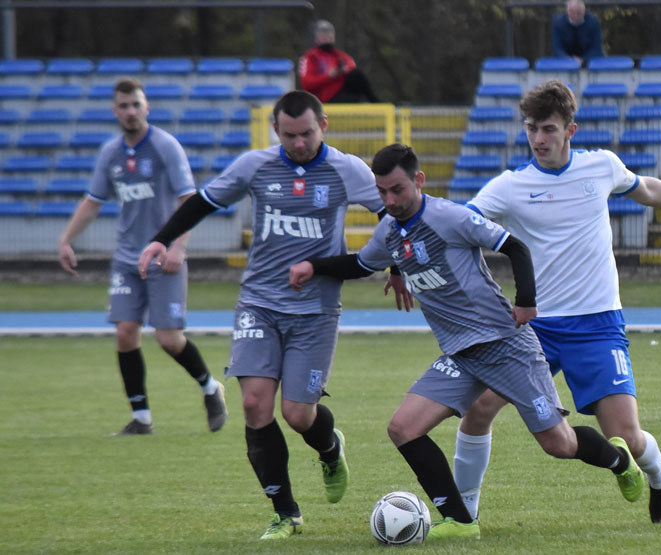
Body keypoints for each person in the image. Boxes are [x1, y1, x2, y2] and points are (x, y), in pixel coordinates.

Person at [289, 143, 648, 540]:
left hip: (507, 346)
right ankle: (460, 521)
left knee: (559, 444)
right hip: (460, 355)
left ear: (418, 182)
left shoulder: (450, 217)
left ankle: (619, 461)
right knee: (403, 427)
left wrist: (526, 301)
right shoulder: (389, 231)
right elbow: (359, 263)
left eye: (398, 190)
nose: (389, 200)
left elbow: (515, 246)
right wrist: (315, 266)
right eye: (382, 192)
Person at [136, 90, 410, 540]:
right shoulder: (255, 165)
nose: (299, 143)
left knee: (299, 414)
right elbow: (203, 201)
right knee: (253, 404)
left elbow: (393, 213)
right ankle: (285, 513)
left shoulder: (346, 170)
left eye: (306, 133)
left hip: (316, 310)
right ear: (275, 130)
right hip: (259, 303)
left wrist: (397, 265)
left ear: (324, 124)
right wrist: (162, 239)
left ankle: (329, 446)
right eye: (289, 135)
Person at [451, 79, 661, 524]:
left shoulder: (601, 167)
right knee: (479, 407)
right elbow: (460, 222)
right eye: (531, 128)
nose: (538, 139)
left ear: (570, 130)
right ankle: (463, 513)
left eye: (548, 128)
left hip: (597, 324)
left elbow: (647, 189)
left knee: (627, 438)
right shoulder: (510, 186)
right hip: (536, 328)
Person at [57, 77, 226, 436]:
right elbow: (93, 202)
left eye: (136, 104)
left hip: (163, 255)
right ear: (114, 110)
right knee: (126, 333)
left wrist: (179, 246)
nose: (130, 112)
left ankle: (211, 388)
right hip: (126, 258)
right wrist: (67, 239)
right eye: (123, 106)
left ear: (146, 107)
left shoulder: (166, 147)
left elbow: (189, 201)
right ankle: (142, 418)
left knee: (168, 338)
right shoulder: (111, 153)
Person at [298, 19, 380, 103]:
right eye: (323, 36)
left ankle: (376, 103)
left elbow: (352, 70)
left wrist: (341, 72)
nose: (327, 39)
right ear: (316, 39)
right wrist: (328, 76)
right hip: (323, 98)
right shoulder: (309, 57)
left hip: (341, 92)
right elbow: (306, 83)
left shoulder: (341, 56)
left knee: (357, 75)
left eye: (329, 36)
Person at [552, 0, 604, 66]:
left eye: (578, 13)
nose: (575, 16)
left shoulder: (594, 22)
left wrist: (583, 60)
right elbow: (557, 48)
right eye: (572, 12)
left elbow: (596, 48)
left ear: (584, 11)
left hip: (590, 62)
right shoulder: (558, 23)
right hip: (565, 62)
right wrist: (567, 59)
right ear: (567, 11)